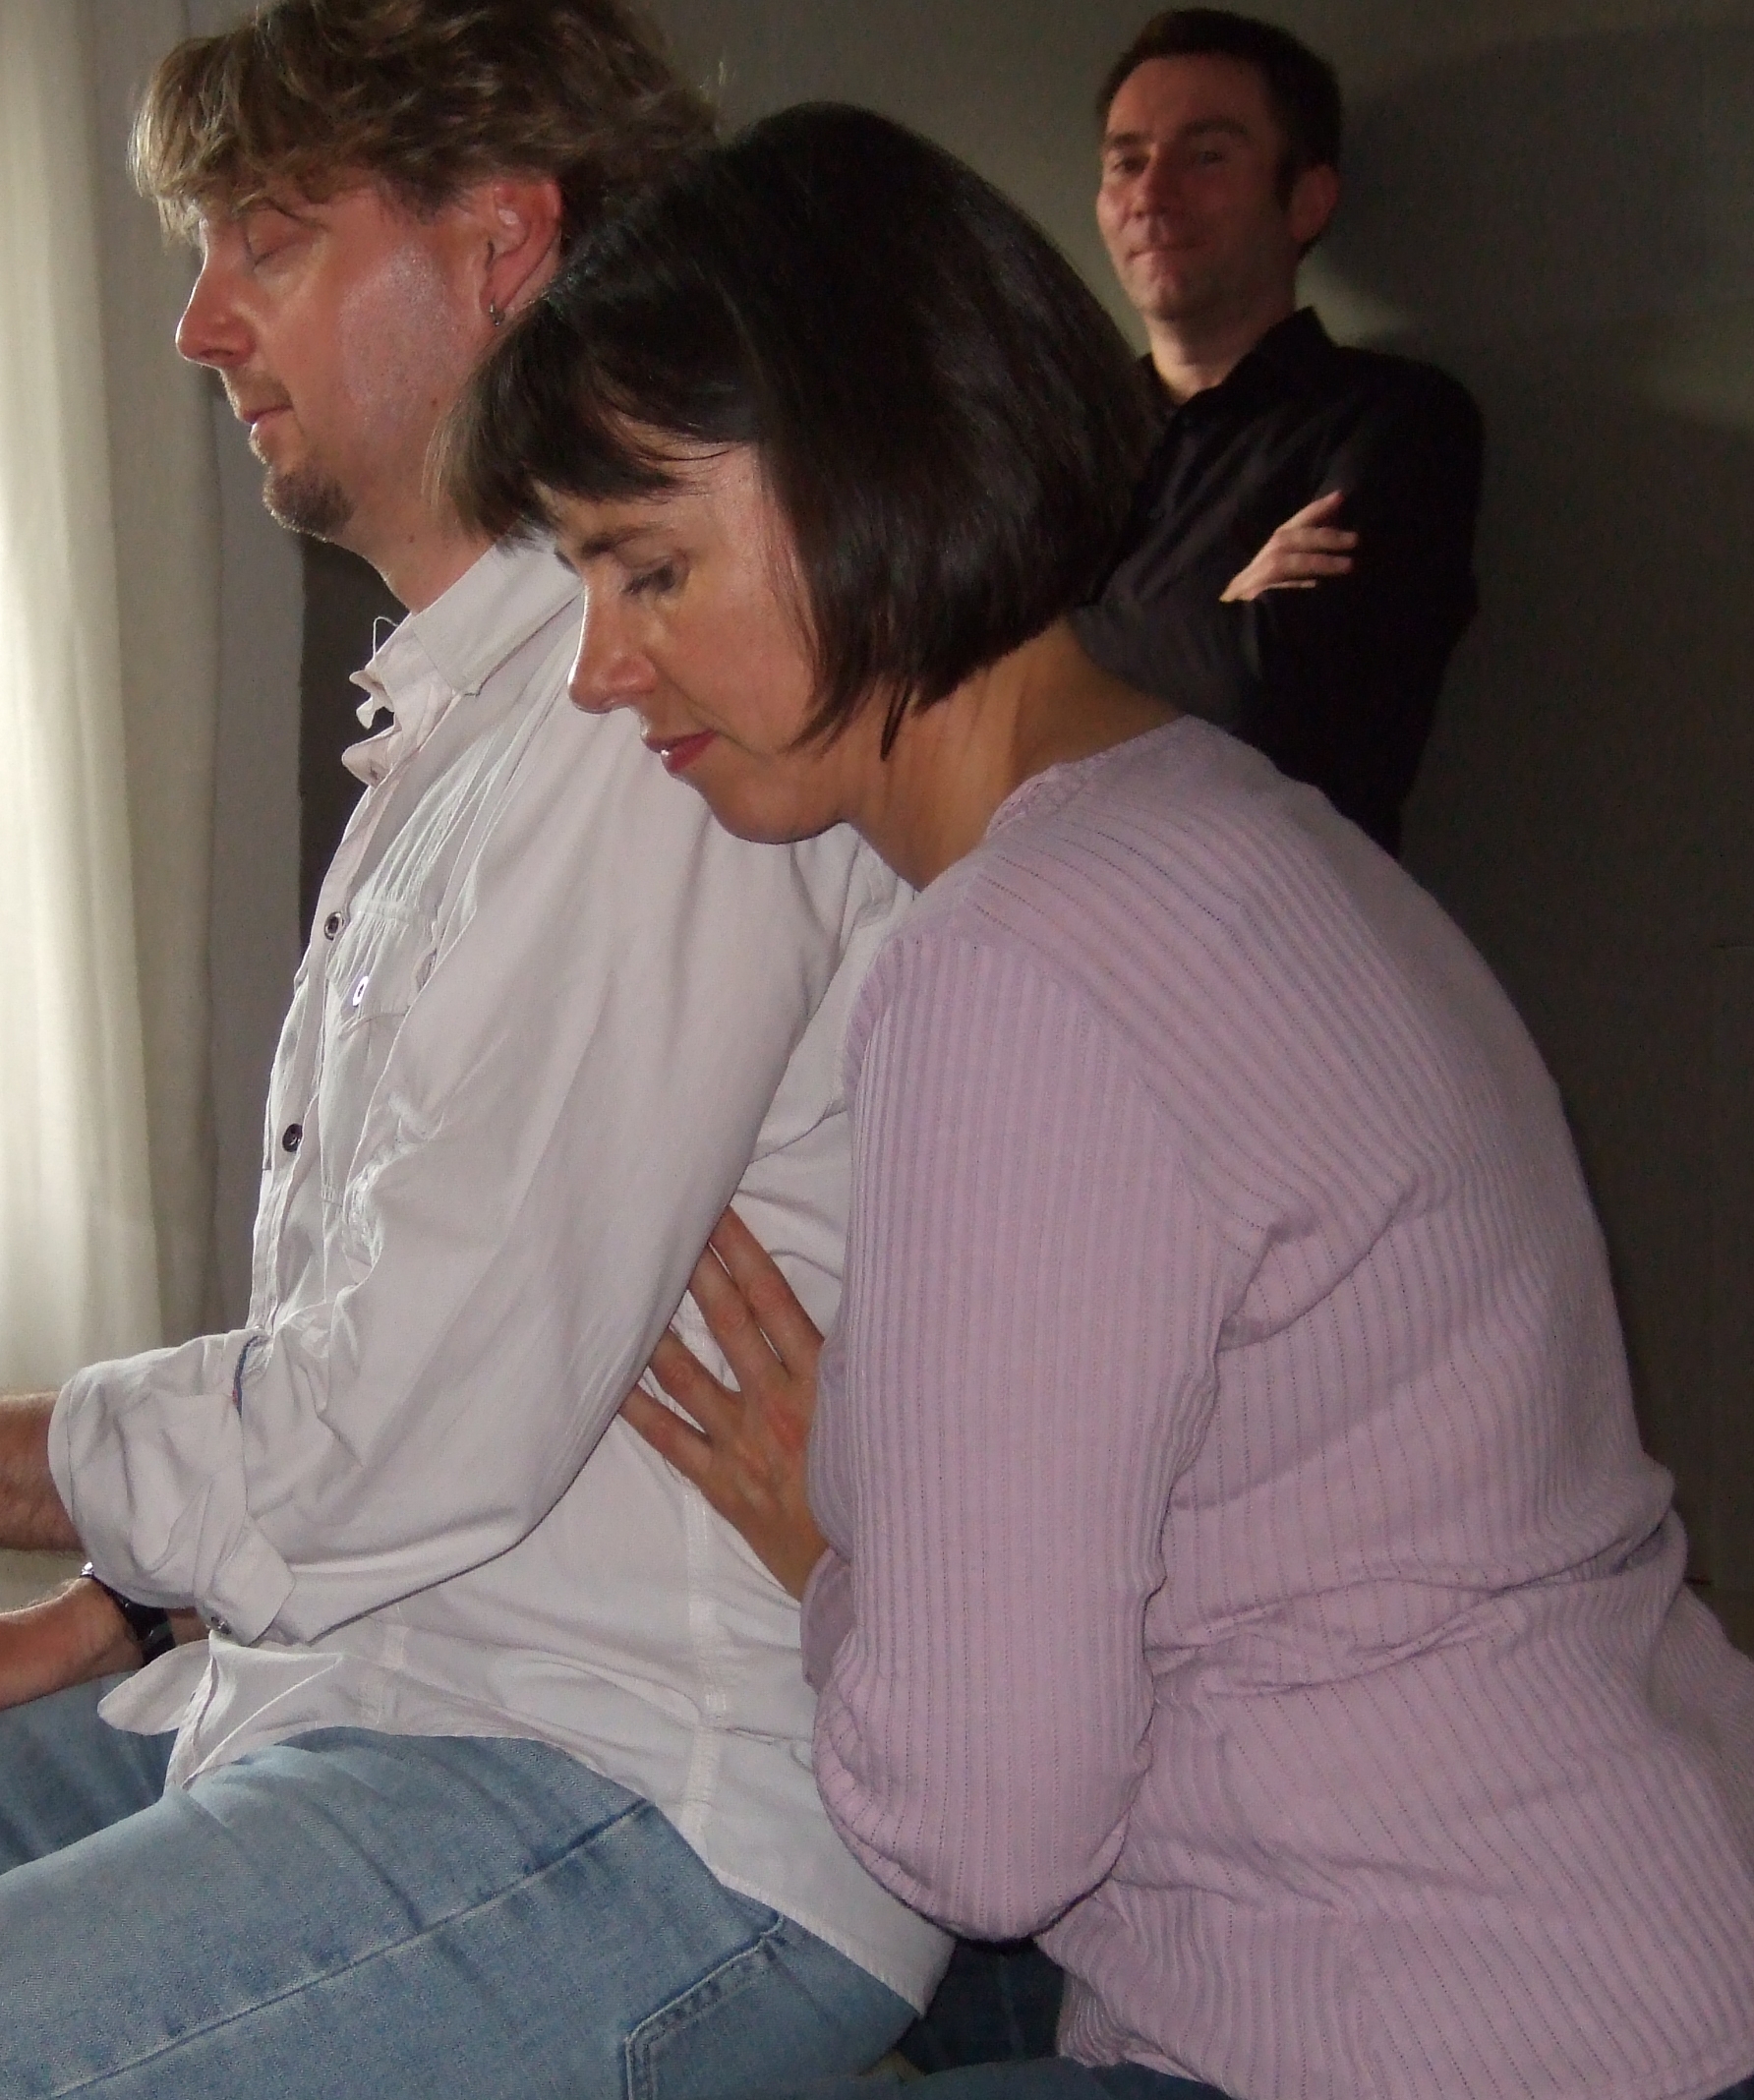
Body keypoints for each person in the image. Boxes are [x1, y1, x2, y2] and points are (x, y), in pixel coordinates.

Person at [0, 6, 952, 2093]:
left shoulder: (638, 735)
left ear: (500, 246)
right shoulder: (473, 720)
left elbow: (384, 1432)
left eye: (268, 240)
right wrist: (114, 1614)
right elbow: (386, 1371)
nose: (198, 323)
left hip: (642, 1793)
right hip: (349, 1689)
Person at [453, 97, 1754, 2099]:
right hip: (1640, 1929)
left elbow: (979, 1827)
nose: (597, 673)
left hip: (1440, 2023)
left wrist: (838, 1567)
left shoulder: (1016, 967)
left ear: (876, 480)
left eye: (647, 570)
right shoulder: (1217, 825)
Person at [1071, 9, 1484, 855]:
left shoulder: (1399, 422)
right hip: (1028, 915)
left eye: (1207, 156)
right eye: (1127, 161)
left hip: (1261, 924)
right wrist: (1212, 618)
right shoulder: (1050, 443)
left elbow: (1264, 695)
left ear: (1306, 200)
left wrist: (1043, 648)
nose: (1151, 194)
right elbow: (935, 676)